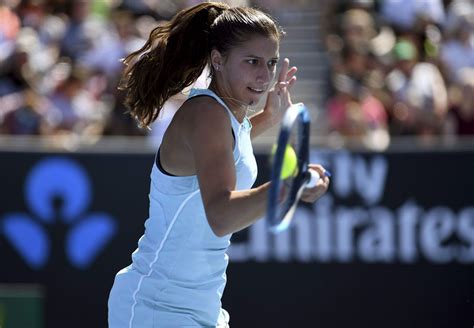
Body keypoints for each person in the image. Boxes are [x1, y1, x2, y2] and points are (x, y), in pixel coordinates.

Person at [107, 2, 330, 327]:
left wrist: (269, 118)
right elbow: (221, 214)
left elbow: (229, 153)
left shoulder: (222, 119)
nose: (264, 75)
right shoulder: (206, 115)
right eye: (252, 61)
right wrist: (286, 187)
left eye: (270, 63)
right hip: (156, 307)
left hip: (202, 306)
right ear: (217, 60)